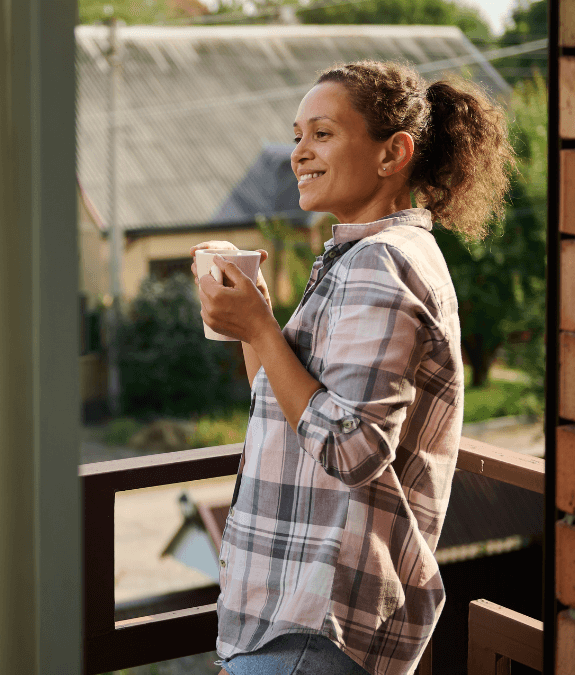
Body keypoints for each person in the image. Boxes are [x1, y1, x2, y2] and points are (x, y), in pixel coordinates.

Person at [190, 61, 513, 675]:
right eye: (296, 136)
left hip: (318, 618)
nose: (299, 153)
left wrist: (260, 326)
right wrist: (250, 316)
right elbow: (287, 403)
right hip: (296, 614)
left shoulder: (381, 263)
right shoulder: (364, 255)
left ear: (393, 153)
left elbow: (354, 447)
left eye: (323, 133)